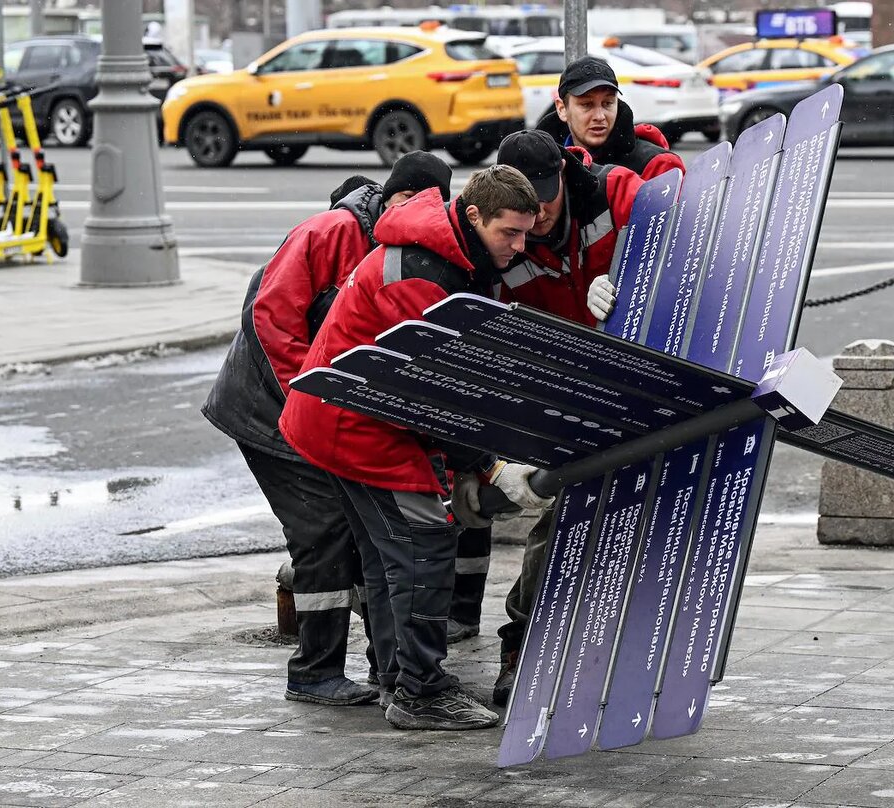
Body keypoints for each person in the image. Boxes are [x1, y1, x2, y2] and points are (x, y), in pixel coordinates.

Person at [279, 165, 556, 731]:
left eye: (527, 233)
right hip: (354, 427)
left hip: (350, 416)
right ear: (474, 217)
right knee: (426, 543)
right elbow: (436, 392)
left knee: (389, 557)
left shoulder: (451, 254)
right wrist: (488, 463)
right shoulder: (423, 279)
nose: (519, 246)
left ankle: (396, 677)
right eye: (510, 233)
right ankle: (421, 691)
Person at [201, 152, 453, 709]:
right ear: (396, 198)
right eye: (415, 203)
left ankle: (380, 665)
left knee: (353, 531)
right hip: (268, 411)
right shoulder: (332, 231)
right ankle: (314, 671)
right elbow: (271, 317)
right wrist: (314, 401)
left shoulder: (394, 253)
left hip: (310, 411)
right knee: (324, 532)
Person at [491, 129, 646, 706]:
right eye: (527, 203)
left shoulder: (609, 192)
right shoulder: (503, 239)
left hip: (630, 377)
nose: (540, 211)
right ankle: (523, 637)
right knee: (563, 512)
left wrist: (634, 279)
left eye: (547, 195)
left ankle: (604, 644)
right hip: (557, 389)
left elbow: (680, 221)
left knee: (631, 514)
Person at [537, 55, 685, 181]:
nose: (600, 116)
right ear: (562, 109)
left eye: (607, 103)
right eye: (587, 105)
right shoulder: (539, 163)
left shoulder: (655, 165)